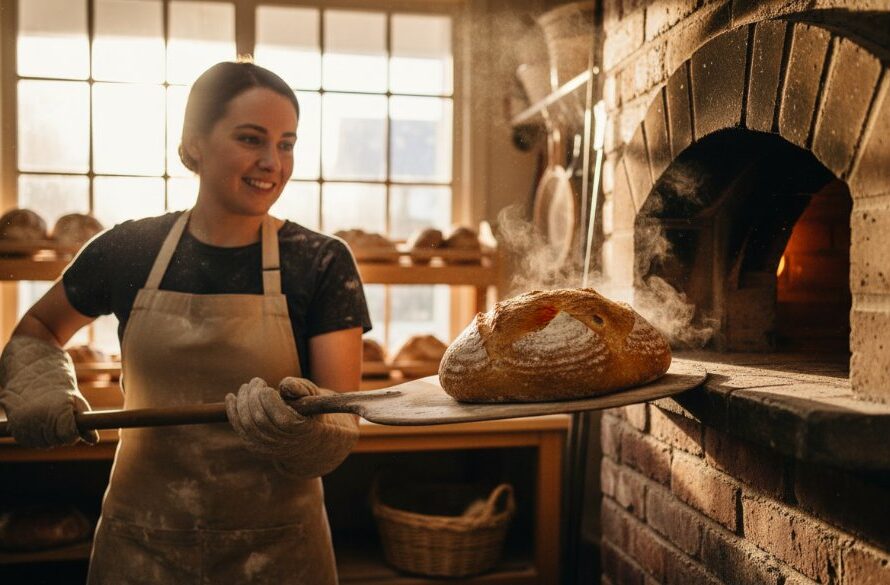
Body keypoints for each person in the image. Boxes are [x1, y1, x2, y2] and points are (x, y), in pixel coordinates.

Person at [0, 60, 371, 583]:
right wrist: (40, 390)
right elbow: (39, 328)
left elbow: (340, 418)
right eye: (250, 138)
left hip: (278, 548)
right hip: (141, 543)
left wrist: (302, 436)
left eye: (286, 143)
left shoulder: (321, 261)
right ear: (194, 142)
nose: (272, 162)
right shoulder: (128, 249)